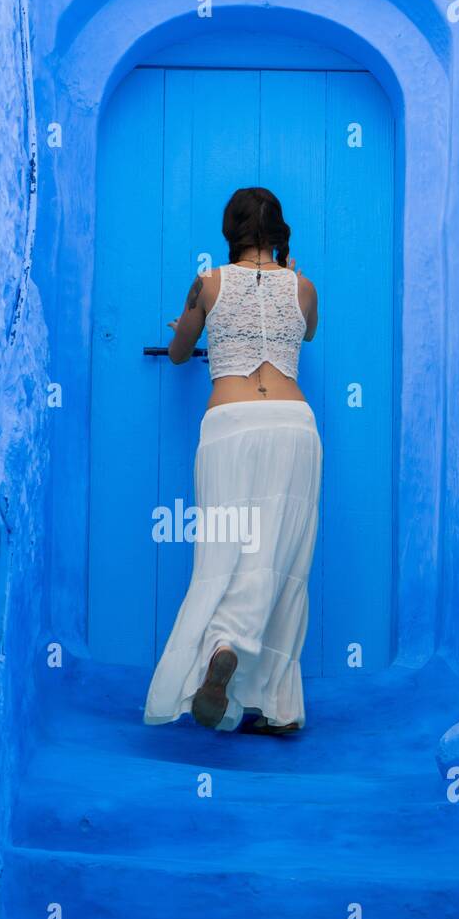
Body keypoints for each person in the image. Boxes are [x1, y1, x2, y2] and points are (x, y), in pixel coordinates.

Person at [143, 186, 321, 735]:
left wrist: (186, 322)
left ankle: (222, 646)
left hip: (230, 428)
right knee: (285, 566)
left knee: (225, 555)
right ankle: (278, 708)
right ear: (279, 232)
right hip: (295, 429)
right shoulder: (305, 287)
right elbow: (307, 333)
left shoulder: (209, 283)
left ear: (232, 231)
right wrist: (290, 276)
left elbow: (178, 356)